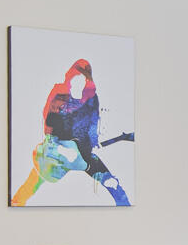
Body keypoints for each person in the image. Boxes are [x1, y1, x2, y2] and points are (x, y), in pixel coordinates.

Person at [11, 58, 133, 205]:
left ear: (87, 83)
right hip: (58, 149)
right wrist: (53, 142)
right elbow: (48, 120)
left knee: (113, 185)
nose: (77, 86)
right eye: (75, 80)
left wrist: (90, 144)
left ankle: (124, 205)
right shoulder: (59, 97)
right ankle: (16, 203)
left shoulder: (92, 100)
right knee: (31, 185)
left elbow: (93, 124)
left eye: (82, 81)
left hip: (82, 152)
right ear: (70, 80)